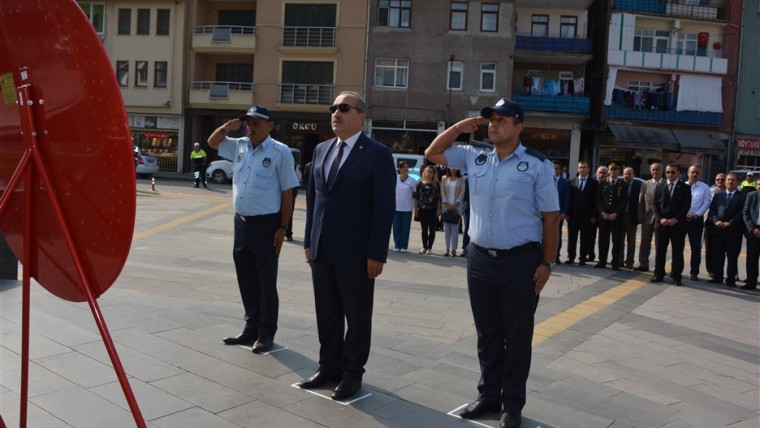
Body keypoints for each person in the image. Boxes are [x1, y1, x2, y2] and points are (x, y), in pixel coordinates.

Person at [425, 98, 559, 428]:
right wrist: (459, 127)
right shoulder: (476, 156)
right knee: (487, 333)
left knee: (516, 335)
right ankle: (488, 396)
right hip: (480, 257)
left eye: (502, 119)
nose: (494, 124)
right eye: (491, 120)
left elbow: (551, 217)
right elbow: (432, 153)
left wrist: (548, 262)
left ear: (519, 126)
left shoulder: (537, 165)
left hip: (520, 261)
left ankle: (512, 403)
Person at [299, 91, 396, 401]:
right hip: (322, 249)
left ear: (361, 117)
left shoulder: (377, 154)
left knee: (356, 315)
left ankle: (352, 372)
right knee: (326, 312)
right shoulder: (322, 149)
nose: (336, 113)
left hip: (356, 252)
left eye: (344, 108)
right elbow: (314, 200)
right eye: (333, 108)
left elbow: (384, 207)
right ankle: (328, 366)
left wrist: (376, 253)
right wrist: (307, 241)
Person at [208, 105, 300, 353]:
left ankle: (266, 332)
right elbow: (213, 142)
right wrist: (228, 127)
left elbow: (288, 192)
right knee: (246, 277)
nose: (252, 128)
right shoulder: (239, 146)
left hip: (267, 225)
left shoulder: (280, 152)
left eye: (257, 123)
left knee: (266, 281)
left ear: (270, 125)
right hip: (242, 223)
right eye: (249, 123)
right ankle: (251, 327)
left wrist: (283, 227)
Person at [652, 164, 691, 286]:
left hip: (677, 225)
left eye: (672, 172)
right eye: (667, 172)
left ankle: (676, 276)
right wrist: (660, 218)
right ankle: (658, 274)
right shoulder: (659, 186)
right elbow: (655, 204)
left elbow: (686, 206)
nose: (669, 174)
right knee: (660, 250)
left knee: (677, 252)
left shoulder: (685, 187)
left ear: (678, 173)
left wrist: (676, 219)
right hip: (662, 224)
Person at [707, 173, 746, 287]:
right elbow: (712, 210)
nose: (730, 182)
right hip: (718, 230)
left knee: (732, 257)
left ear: (737, 182)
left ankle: (730, 279)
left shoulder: (742, 196)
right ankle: (717, 277)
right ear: (725, 182)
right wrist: (716, 221)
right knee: (718, 255)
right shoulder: (718, 196)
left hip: (733, 231)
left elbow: (742, 213)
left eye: (733, 180)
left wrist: (730, 222)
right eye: (728, 180)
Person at [566, 161, 598, 266]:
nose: (582, 169)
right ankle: (571, 257)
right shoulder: (571, 182)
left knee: (585, 238)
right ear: (577, 169)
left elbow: (595, 200)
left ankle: (582, 258)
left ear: (588, 169)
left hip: (587, 216)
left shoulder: (594, 183)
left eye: (584, 168)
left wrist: (594, 215)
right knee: (572, 237)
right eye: (580, 167)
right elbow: (569, 199)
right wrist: (567, 213)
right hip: (573, 215)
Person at [595, 163, 626, 270]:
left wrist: (615, 214)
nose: (613, 171)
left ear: (619, 171)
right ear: (608, 171)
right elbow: (598, 200)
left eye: (615, 170)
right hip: (604, 216)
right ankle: (602, 260)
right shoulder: (603, 183)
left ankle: (615, 262)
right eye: (611, 169)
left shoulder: (623, 184)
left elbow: (624, 202)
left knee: (616, 240)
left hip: (616, 217)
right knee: (603, 239)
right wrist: (602, 213)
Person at [684, 165, 712, 281]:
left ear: (700, 174)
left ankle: (694, 272)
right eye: (692, 172)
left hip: (696, 220)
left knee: (695, 248)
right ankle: (676, 270)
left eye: (697, 173)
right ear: (688, 173)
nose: (694, 174)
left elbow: (706, 203)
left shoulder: (704, 188)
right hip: (681, 219)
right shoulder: (682, 186)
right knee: (677, 246)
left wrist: (696, 215)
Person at [635, 162, 663, 272]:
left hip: (660, 219)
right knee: (645, 242)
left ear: (662, 171)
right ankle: (643, 264)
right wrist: (639, 215)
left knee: (659, 244)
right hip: (647, 218)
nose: (655, 172)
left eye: (658, 170)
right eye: (653, 170)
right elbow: (640, 201)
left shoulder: (665, 184)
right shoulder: (645, 184)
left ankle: (658, 266)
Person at [414, 165, 442, 255]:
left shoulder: (436, 184)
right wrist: (416, 210)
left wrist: (438, 210)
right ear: (424, 172)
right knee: (424, 229)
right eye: (428, 171)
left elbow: (439, 199)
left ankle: (429, 248)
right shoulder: (419, 184)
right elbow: (417, 198)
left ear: (434, 174)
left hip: (433, 209)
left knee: (432, 229)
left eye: (431, 172)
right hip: (422, 209)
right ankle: (424, 247)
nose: (429, 173)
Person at [705, 173, 727, 278]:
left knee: (723, 250)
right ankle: (710, 269)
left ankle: (727, 272)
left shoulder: (730, 192)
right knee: (710, 248)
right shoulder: (709, 191)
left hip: (725, 225)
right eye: (718, 179)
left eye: (722, 180)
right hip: (710, 223)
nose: (720, 181)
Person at [393, 161, 417, 253]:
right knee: (396, 227)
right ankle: (397, 245)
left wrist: (415, 209)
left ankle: (404, 246)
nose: (406, 169)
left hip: (407, 208)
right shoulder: (395, 178)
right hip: (396, 207)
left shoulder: (412, 180)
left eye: (407, 167)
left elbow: (414, 195)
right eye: (404, 167)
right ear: (399, 169)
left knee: (405, 228)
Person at [441, 168, 466, 256]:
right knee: (446, 229)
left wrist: (456, 204)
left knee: (455, 228)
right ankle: (446, 248)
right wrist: (446, 203)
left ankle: (454, 249)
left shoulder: (461, 178)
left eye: (455, 167)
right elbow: (442, 191)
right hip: (445, 206)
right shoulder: (444, 178)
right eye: (452, 167)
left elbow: (462, 192)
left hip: (457, 207)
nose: (453, 168)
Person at [621, 167, 641, 269]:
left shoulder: (638, 185)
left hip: (632, 217)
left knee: (631, 241)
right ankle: (619, 260)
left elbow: (641, 202)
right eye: (625, 174)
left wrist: (639, 216)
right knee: (619, 240)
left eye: (629, 174)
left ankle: (629, 262)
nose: (627, 176)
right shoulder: (620, 184)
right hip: (620, 216)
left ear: (633, 174)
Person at [742, 180, 760, 290]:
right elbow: (745, 212)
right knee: (752, 259)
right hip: (753, 231)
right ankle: (751, 282)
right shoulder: (751, 195)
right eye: (759, 184)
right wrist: (752, 229)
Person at [553, 161, 570, 262]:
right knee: (543, 235)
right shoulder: (545, 181)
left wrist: (564, 212)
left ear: (560, 170)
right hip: (544, 213)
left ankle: (556, 256)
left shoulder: (565, 182)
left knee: (556, 235)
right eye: (553, 168)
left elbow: (567, 198)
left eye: (556, 168)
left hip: (558, 214)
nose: (554, 170)